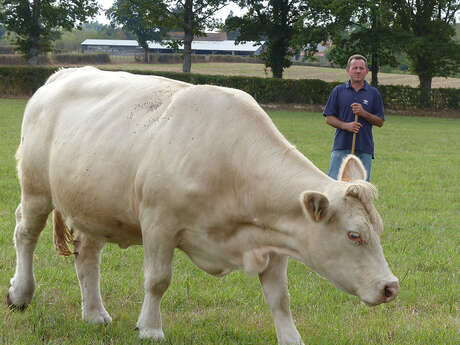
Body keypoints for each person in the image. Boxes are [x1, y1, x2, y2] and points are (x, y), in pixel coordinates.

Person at [323, 54, 385, 181]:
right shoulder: (338, 91)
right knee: (336, 184)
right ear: (348, 70)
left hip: (364, 148)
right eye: (354, 68)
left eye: (361, 68)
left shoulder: (373, 93)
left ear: (366, 71)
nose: (358, 71)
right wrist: (346, 126)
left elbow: (380, 121)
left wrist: (363, 113)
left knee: (360, 189)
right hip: (341, 146)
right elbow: (329, 118)